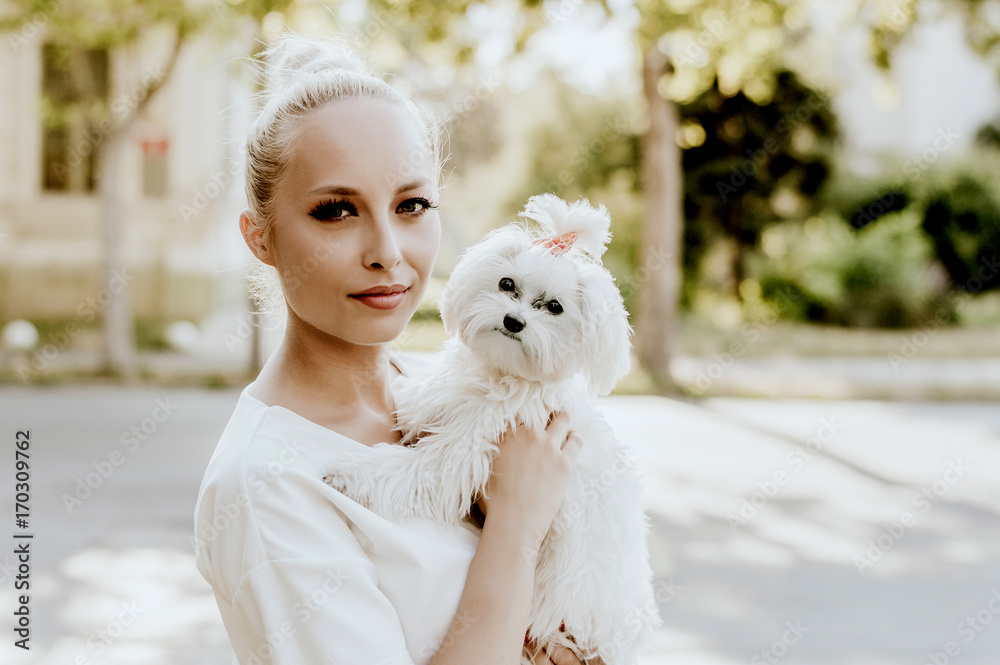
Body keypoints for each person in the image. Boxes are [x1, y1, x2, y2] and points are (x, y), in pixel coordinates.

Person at [192, 31, 596, 665]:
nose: (388, 251)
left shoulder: (456, 392)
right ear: (260, 237)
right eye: (335, 211)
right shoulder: (265, 485)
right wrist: (516, 525)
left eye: (411, 204)